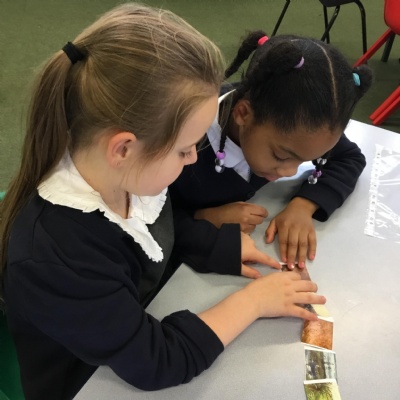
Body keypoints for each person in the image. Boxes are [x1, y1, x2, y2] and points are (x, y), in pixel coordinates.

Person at [0, 6, 325, 400]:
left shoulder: (124, 174)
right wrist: (254, 302)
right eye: (185, 149)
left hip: (131, 328)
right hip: (85, 383)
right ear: (123, 148)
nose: (192, 160)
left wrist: (214, 245)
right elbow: (156, 361)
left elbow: (153, 229)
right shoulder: (57, 254)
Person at [169, 31, 373, 273]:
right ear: (243, 114)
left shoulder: (300, 127)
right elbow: (145, 220)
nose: (290, 172)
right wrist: (204, 218)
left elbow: (350, 158)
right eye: (281, 156)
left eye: (307, 160)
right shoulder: (180, 143)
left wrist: (304, 204)